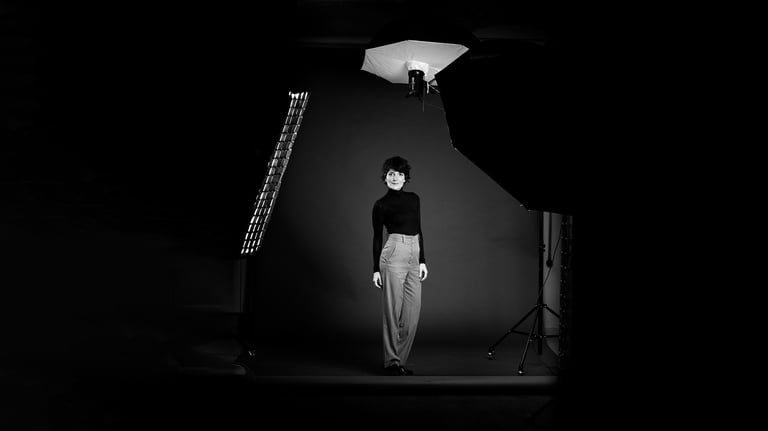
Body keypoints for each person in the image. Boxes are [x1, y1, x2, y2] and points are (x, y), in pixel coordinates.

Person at [372, 156, 428, 376]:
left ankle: (399, 361)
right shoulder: (381, 205)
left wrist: (422, 260)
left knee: (412, 313)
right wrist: (375, 269)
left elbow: (420, 229)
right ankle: (392, 363)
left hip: (414, 252)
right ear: (385, 178)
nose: (395, 178)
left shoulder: (414, 199)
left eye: (400, 174)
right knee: (392, 313)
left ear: (406, 178)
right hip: (393, 252)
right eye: (391, 174)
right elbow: (377, 237)